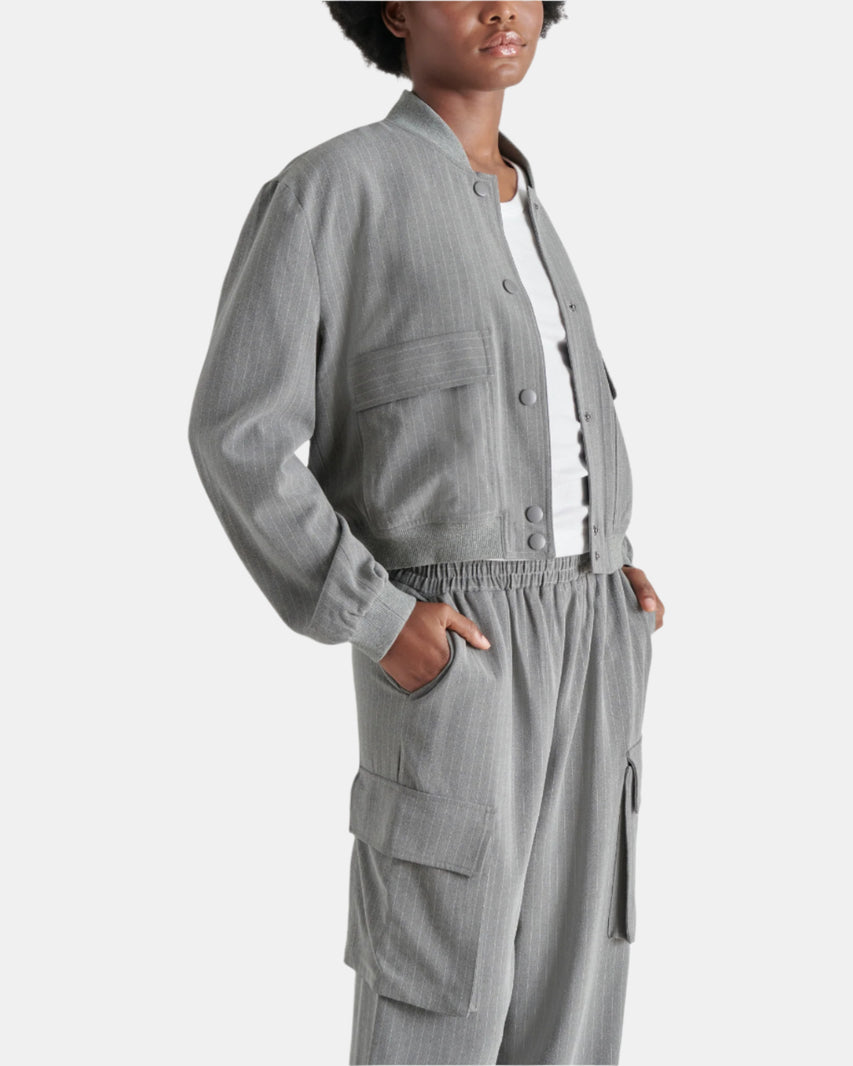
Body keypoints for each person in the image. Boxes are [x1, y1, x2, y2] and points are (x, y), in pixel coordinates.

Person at [188, 2, 665, 1062]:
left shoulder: (528, 202)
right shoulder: (333, 189)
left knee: (575, 995)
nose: (502, 9)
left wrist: (614, 570)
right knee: (437, 995)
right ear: (394, 10)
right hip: (459, 645)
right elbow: (237, 433)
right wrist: (377, 615)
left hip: (594, 635)